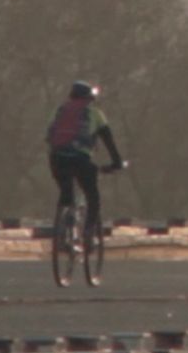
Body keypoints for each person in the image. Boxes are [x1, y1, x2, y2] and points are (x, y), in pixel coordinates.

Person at [44, 81, 127, 237]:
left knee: (65, 191)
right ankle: (88, 231)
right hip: (80, 159)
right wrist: (116, 162)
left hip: (56, 158)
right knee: (92, 195)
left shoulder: (59, 110)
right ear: (89, 98)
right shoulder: (95, 113)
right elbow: (109, 141)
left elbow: (49, 136)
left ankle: (64, 223)